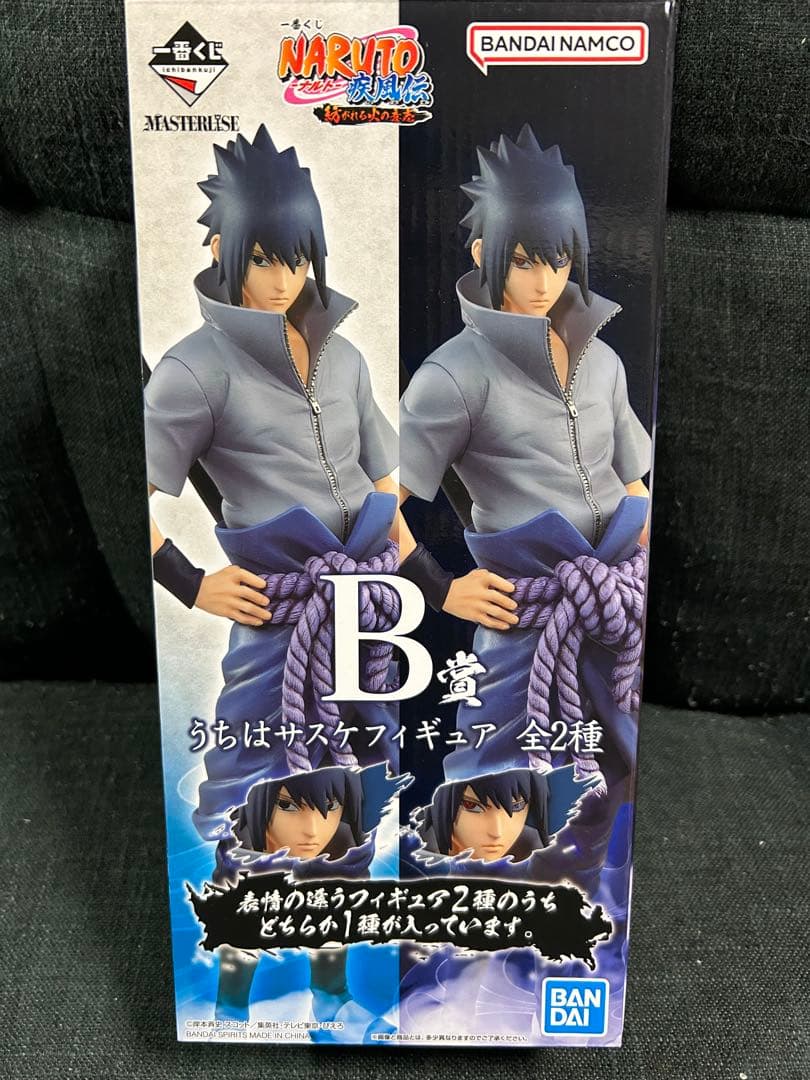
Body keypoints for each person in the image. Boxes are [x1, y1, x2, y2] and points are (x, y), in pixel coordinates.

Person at [143, 125, 403, 845]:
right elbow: (130, 493)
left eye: (296, 258)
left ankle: (355, 873)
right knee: (251, 759)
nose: (282, 280)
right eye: (261, 258)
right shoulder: (192, 372)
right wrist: (188, 580)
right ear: (221, 251)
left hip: (367, 596)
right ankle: (230, 885)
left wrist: (429, 581)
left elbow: (385, 480)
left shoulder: (344, 358)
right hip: (279, 599)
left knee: (375, 755)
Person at [399, 124, 651, 796]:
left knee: (614, 781)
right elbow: (375, 501)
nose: (543, 282)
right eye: (522, 262)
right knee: (490, 781)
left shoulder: (603, 360)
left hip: (614, 602)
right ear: (484, 254)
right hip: (525, 607)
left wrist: (636, 557)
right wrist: (440, 585)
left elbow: (631, 475)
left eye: (558, 260)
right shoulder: (452, 377)